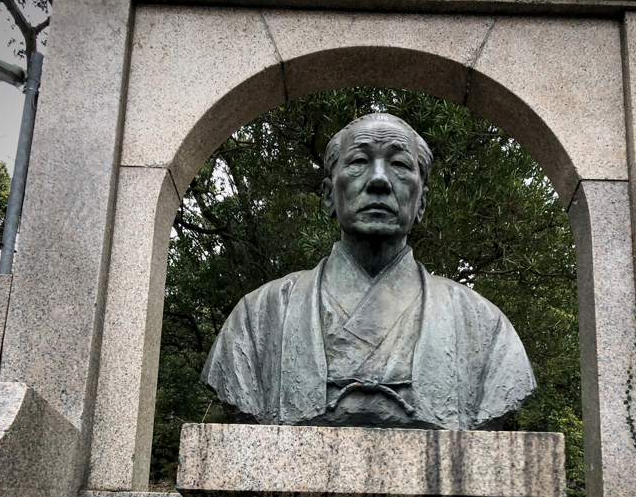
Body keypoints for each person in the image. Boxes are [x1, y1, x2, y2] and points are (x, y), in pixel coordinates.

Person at [202, 113, 536, 429]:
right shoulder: (257, 317)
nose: (379, 180)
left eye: (400, 165)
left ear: (421, 203)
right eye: (359, 162)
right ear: (329, 195)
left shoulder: (483, 327)